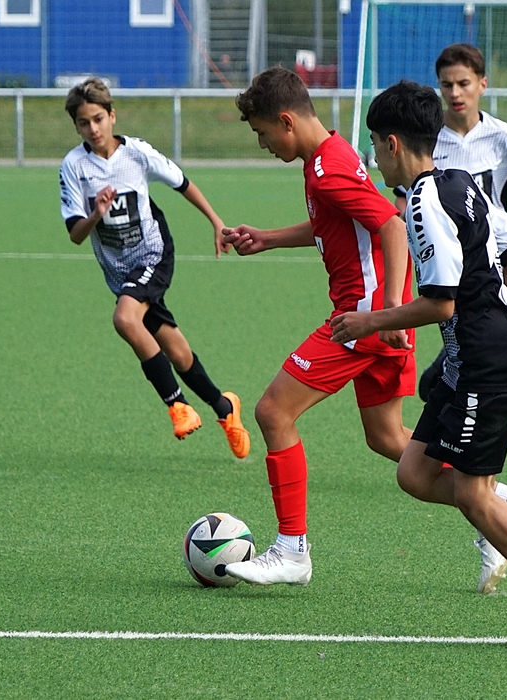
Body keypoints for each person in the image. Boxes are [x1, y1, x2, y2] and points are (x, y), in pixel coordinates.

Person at [331, 80, 507, 652]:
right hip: (471, 357)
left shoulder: (424, 203)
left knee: (475, 495)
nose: (374, 157)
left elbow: (442, 303)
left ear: (393, 143)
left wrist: (371, 321)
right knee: (414, 473)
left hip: (483, 362)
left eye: (374, 145)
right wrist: (502, 314)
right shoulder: (459, 182)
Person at [219, 67, 417, 586]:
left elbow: (392, 226)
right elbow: (337, 222)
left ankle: (292, 550)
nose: (262, 144)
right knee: (389, 438)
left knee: (272, 411)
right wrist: (268, 238)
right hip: (373, 317)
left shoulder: (327, 168)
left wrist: (386, 313)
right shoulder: (327, 157)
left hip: (362, 319)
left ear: (286, 121)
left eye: (263, 133)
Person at [398, 43, 507, 499]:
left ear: (482, 85)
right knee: (476, 362)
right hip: (462, 273)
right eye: (446, 84)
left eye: (464, 83)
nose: (455, 93)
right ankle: (471, 470)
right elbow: (407, 204)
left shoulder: (504, 137)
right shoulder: (429, 143)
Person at [59, 78, 249, 459]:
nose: (93, 129)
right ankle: (225, 407)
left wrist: (216, 222)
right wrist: (96, 212)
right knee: (177, 352)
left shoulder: (137, 154)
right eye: (83, 123)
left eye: (98, 119)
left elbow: (182, 183)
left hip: (153, 254)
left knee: (125, 319)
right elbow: (76, 234)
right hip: (120, 273)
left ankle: (178, 405)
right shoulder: (74, 167)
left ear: (112, 116)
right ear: (76, 126)